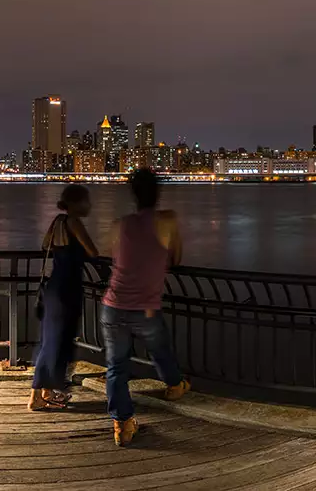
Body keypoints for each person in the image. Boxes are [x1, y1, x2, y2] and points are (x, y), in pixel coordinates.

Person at [101, 169, 191, 446]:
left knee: (116, 368)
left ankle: (122, 424)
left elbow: (112, 254)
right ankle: (175, 385)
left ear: (134, 195)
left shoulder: (120, 224)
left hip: (113, 305)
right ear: (158, 193)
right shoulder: (167, 221)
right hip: (146, 308)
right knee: (160, 347)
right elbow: (175, 258)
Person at [29, 185, 99, 411]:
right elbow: (92, 251)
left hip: (54, 287)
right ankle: (36, 396)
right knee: (54, 344)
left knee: (51, 341)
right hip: (67, 290)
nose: (89, 205)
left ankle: (47, 392)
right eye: (86, 201)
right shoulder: (73, 222)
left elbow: (44, 246)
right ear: (76, 203)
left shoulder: (57, 222)